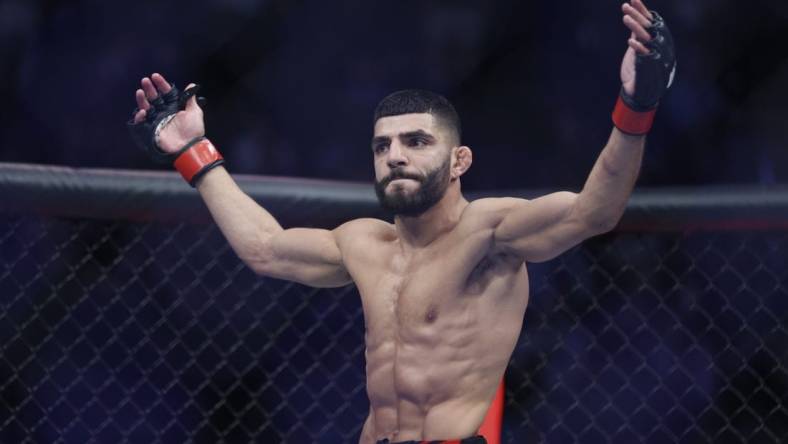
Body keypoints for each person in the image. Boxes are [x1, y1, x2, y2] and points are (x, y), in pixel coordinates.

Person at [127, 1, 675, 442]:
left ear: (459, 160)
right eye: (383, 145)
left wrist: (635, 105)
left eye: (416, 142)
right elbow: (266, 248)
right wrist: (193, 152)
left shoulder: (489, 233)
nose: (395, 155)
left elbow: (594, 211)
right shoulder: (362, 241)